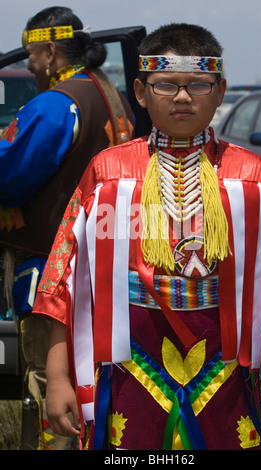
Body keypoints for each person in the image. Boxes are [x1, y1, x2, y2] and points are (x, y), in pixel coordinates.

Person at [33, 23, 261, 450]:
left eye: (197, 84)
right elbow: (67, 281)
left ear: (219, 89)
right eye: (166, 85)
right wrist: (59, 376)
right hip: (130, 366)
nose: (182, 96)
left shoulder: (251, 178)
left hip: (228, 368)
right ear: (140, 92)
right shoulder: (109, 174)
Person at [0, 6, 134, 450]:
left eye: (33, 57)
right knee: (92, 379)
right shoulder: (106, 92)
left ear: (51, 51)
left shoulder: (57, 106)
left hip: (51, 272)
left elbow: (9, 177)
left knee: (48, 384)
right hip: (103, 266)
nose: (30, 66)